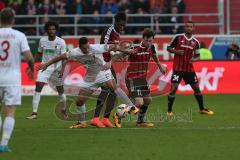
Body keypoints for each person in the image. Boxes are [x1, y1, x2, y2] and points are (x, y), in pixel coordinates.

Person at [36, 37, 139, 129]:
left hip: (102, 71)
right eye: (84, 48)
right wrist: (46, 64)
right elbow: (61, 57)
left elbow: (113, 47)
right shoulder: (74, 52)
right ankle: (81, 122)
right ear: (79, 47)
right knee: (79, 101)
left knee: (112, 86)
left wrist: (126, 50)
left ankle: (131, 106)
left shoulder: (95, 47)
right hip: (90, 78)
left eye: (88, 47)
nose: (87, 49)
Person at [0, 8, 34, 152]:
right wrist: (31, 68)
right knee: (10, 112)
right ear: (13, 20)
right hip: (12, 79)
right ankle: (4, 144)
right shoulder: (19, 35)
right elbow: (29, 57)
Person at [166, 21, 214, 116]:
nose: (188, 28)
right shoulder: (178, 37)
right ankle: (169, 111)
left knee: (196, 88)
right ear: (185, 27)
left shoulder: (195, 42)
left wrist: (194, 59)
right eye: (187, 26)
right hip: (178, 68)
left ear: (193, 28)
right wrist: (176, 51)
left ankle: (202, 109)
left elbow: (198, 56)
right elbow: (168, 48)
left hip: (189, 69)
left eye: (190, 27)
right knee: (174, 88)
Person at [122, 28, 166, 128]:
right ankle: (118, 115)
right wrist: (125, 55)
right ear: (143, 39)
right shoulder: (135, 47)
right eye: (147, 40)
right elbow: (123, 56)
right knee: (139, 102)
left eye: (151, 41)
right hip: (132, 77)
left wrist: (159, 66)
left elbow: (154, 56)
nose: (149, 43)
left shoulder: (152, 47)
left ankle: (140, 121)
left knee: (148, 100)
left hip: (142, 78)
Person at [90, 11, 127, 128]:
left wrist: (121, 54)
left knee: (112, 91)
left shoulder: (117, 34)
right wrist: (121, 51)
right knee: (107, 90)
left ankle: (105, 118)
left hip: (108, 64)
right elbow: (104, 46)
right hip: (102, 64)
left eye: (124, 25)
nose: (122, 27)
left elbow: (113, 49)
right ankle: (95, 118)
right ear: (116, 22)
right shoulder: (109, 31)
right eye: (121, 25)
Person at [26, 21, 67, 120]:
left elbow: (64, 57)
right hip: (45, 67)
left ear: (56, 30)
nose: (51, 31)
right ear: (47, 30)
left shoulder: (61, 42)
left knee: (60, 90)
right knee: (38, 85)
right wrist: (31, 65)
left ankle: (64, 110)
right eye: (49, 29)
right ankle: (34, 113)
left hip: (57, 68)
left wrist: (62, 70)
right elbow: (39, 53)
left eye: (53, 29)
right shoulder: (42, 41)